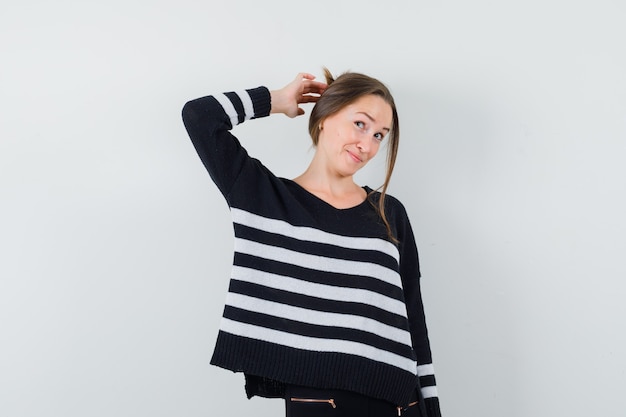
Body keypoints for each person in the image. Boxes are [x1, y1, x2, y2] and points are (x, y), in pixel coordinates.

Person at [182, 70, 442, 417]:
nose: (368, 145)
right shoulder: (264, 196)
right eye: (360, 124)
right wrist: (276, 100)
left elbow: (414, 322)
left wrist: (433, 409)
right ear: (325, 117)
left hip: (398, 402)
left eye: (380, 135)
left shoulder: (388, 213)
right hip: (319, 401)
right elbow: (199, 116)